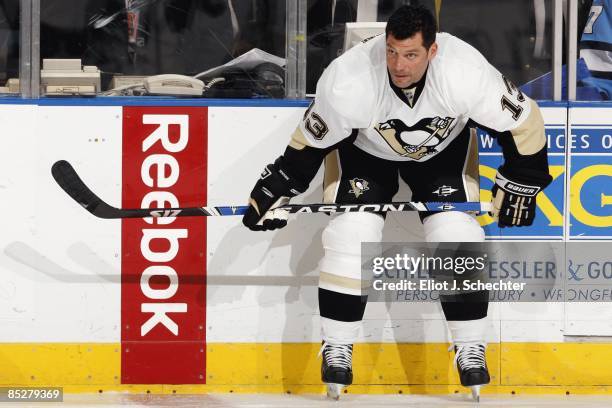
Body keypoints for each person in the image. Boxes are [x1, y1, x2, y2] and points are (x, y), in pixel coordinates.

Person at [242, 5, 552, 401]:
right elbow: (311, 142)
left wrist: (523, 182)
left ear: (433, 51)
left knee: (457, 233)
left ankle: (470, 346)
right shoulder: (349, 79)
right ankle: (337, 345)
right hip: (364, 153)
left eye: (410, 55)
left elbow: (524, 122)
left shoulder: (465, 72)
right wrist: (278, 187)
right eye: (391, 52)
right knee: (351, 234)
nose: (398, 65)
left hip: (443, 154)